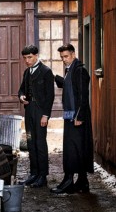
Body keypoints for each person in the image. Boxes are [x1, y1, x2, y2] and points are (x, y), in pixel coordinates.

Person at [50, 43, 94, 194]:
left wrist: (79, 116)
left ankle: (69, 181)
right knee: (75, 148)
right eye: (62, 57)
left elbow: (82, 95)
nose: (64, 60)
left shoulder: (80, 70)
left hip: (77, 115)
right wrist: (57, 78)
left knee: (74, 148)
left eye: (66, 56)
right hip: (70, 114)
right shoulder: (70, 70)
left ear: (73, 54)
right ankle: (82, 182)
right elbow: (70, 88)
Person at [18, 45, 55, 188]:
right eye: (25, 58)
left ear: (36, 56)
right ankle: (33, 174)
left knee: (40, 143)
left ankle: (42, 176)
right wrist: (21, 96)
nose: (27, 61)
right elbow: (22, 89)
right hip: (29, 111)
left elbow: (50, 96)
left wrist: (46, 115)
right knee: (31, 142)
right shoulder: (27, 72)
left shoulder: (46, 71)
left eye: (29, 57)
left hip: (41, 112)